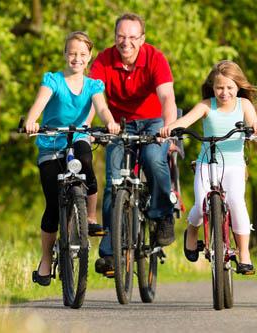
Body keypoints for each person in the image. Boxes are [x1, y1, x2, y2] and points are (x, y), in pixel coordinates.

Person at [24, 31, 120, 286]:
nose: (76, 58)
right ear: (65, 54)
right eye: (72, 53)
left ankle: (89, 216)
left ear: (89, 57)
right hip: (50, 142)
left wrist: (109, 122)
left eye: (82, 54)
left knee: (86, 162)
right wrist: (32, 121)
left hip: (78, 136)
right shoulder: (53, 80)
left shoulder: (93, 85)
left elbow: (101, 107)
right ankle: (46, 259)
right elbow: (40, 102)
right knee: (53, 206)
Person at [89, 13, 178, 276]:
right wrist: (97, 125)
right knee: (114, 181)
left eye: (131, 37)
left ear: (142, 39)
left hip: (153, 121)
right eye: (120, 36)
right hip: (119, 123)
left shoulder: (155, 58)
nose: (125, 42)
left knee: (153, 159)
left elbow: (167, 97)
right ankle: (109, 253)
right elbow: (95, 97)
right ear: (114, 37)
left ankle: (162, 214)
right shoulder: (104, 59)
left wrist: (168, 128)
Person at [160, 60, 257, 275]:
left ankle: (243, 253)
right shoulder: (207, 105)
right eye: (219, 87)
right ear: (212, 87)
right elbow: (186, 121)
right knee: (201, 203)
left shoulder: (244, 105)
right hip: (207, 163)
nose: (224, 92)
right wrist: (169, 129)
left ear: (238, 87)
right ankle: (191, 233)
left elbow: (254, 122)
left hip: (234, 165)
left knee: (237, 203)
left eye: (229, 87)